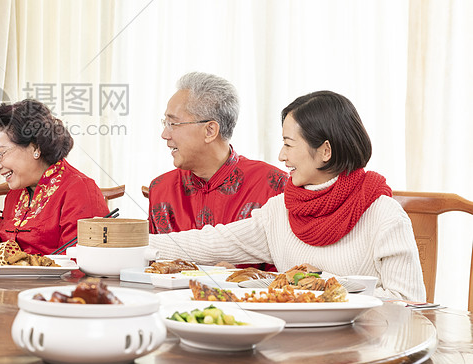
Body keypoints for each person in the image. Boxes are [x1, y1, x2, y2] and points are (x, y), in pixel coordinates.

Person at [148, 90, 426, 301]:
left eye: (288, 144)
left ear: (325, 151)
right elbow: (210, 242)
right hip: (293, 351)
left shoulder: (383, 214)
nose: (281, 156)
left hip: (362, 356)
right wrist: (127, 242)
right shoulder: (280, 211)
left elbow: (409, 306)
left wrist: (319, 286)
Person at [148, 72, 287, 234]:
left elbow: (290, 258)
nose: (164, 135)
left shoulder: (273, 185)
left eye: (172, 124)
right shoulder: (161, 189)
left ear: (210, 130)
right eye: (165, 123)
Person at [0, 99, 109, 254]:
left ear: (35, 147)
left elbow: (79, 266)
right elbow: (6, 261)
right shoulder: (15, 193)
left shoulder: (80, 191)